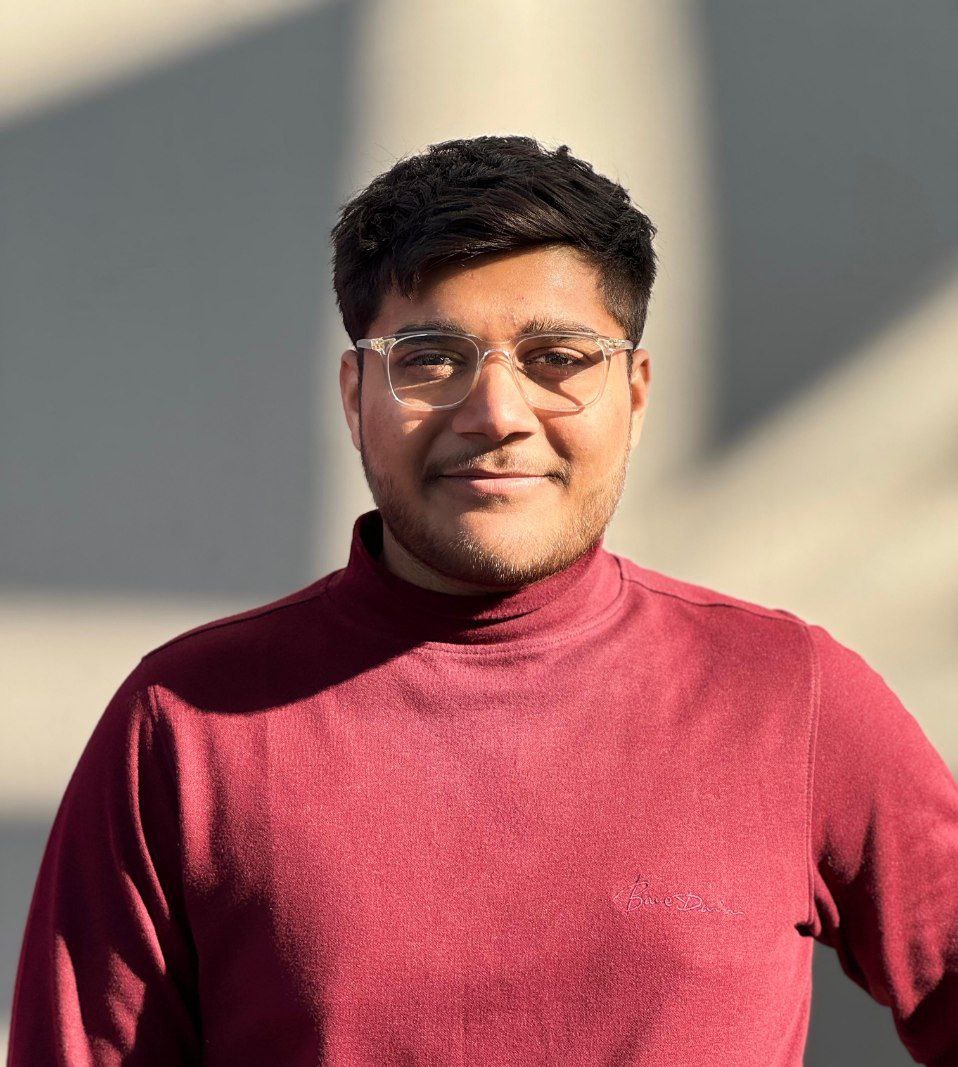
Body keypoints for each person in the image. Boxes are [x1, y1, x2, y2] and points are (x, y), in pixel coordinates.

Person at [7, 134, 958, 1066]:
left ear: (634, 394)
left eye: (559, 357)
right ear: (354, 394)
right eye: (429, 357)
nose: (496, 414)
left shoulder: (787, 694)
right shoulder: (185, 725)